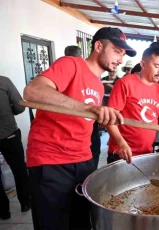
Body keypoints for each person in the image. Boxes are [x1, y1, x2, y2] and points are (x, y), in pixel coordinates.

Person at [23, 27, 135, 230]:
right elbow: (33, 91)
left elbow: (86, 120)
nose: (120, 59)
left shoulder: (99, 85)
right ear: (99, 46)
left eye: (123, 54)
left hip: (83, 162)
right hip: (51, 163)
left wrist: (119, 139)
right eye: (117, 51)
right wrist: (89, 108)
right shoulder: (71, 64)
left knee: (81, 224)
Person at [106, 46, 159, 164]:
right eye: (156, 66)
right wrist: (121, 144)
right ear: (143, 64)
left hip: (146, 153)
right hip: (122, 153)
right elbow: (109, 119)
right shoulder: (125, 84)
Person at [0, 76, 30, 220]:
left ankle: (3, 211)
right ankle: (25, 202)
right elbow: (19, 106)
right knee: (19, 169)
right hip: (8, 133)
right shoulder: (3, 81)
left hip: (8, 133)